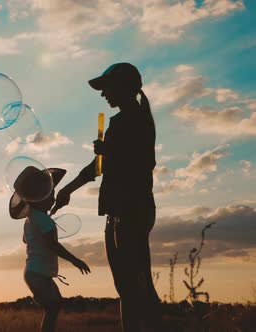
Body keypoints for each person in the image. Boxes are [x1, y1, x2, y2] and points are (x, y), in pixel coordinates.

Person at [51, 63, 162, 331]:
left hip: (130, 209)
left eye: (107, 88)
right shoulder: (126, 120)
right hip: (119, 211)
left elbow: (141, 164)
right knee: (127, 285)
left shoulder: (133, 120)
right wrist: (67, 190)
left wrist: (110, 152)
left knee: (136, 284)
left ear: (124, 87)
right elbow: (98, 167)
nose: (103, 95)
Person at [10, 166, 91, 332]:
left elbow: (26, 239)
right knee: (53, 307)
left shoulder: (31, 218)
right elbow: (52, 245)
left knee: (54, 305)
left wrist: (47, 218)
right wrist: (75, 260)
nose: (54, 198)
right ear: (39, 197)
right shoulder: (42, 220)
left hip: (34, 272)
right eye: (51, 194)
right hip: (39, 273)